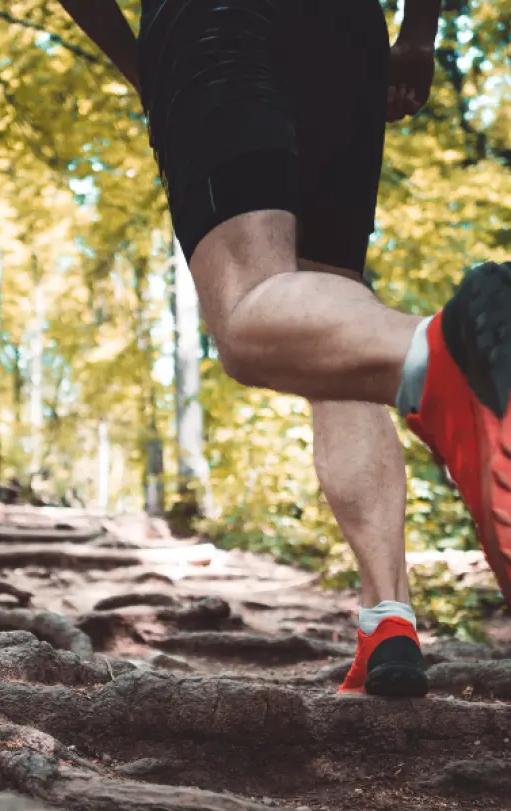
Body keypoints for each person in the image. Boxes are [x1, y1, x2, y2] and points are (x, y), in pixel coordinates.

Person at [57, 0, 511, 696]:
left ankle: (449, 354)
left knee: (247, 317)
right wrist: (421, 29)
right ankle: (387, 618)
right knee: (335, 339)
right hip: (345, 31)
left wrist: (146, 67)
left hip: (216, 21)